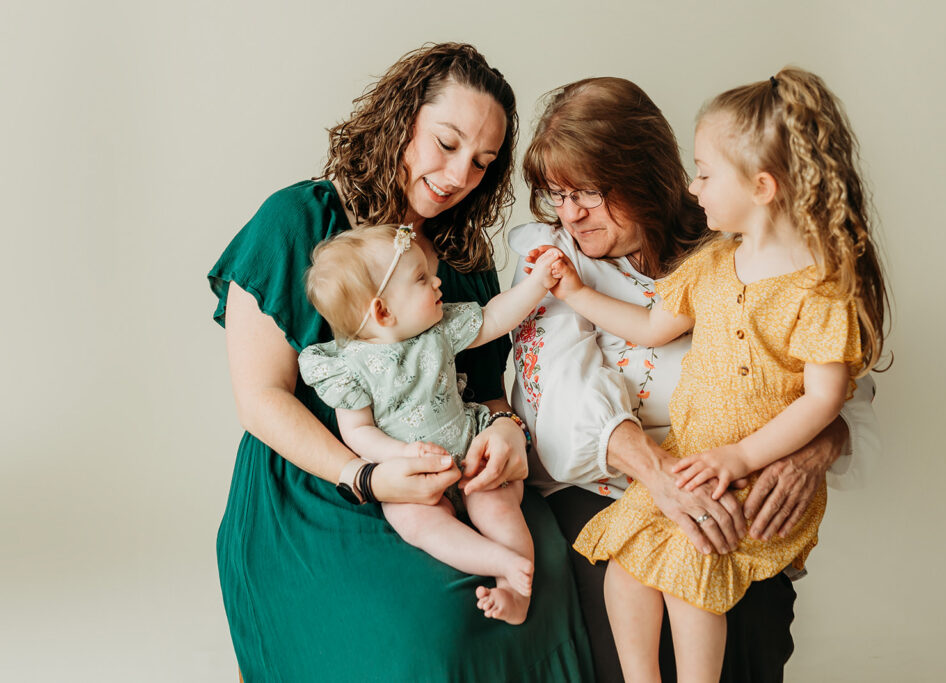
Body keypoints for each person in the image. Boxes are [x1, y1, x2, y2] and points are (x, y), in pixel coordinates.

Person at [207, 43, 593, 681]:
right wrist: (365, 476)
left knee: (543, 565)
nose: (459, 175)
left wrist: (505, 433)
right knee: (430, 625)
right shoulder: (295, 222)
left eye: (482, 162)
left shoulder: (458, 257)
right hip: (317, 482)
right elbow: (261, 400)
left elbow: (490, 388)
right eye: (447, 143)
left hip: (446, 468)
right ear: (401, 120)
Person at [509, 77, 881, 683]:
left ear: (645, 175)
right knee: (634, 581)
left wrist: (803, 451)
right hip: (606, 482)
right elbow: (563, 389)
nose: (571, 213)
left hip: (732, 472)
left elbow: (833, 386)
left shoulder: (738, 247)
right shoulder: (552, 257)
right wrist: (662, 479)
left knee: (740, 613)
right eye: (558, 195)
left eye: (590, 192)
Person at [297, 224, 564, 624]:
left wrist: (537, 283)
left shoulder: (438, 330)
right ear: (382, 311)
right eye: (422, 278)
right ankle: (494, 558)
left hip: (472, 454)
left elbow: (493, 318)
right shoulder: (346, 368)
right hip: (412, 479)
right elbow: (358, 433)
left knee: (498, 506)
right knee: (417, 524)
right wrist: (401, 454)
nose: (438, 282)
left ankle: (513, 590)